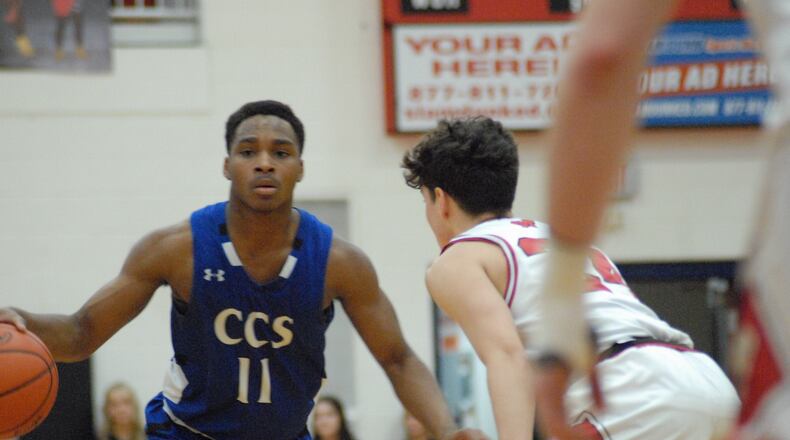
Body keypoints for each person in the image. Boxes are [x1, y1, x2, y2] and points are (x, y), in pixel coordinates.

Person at [0, 100, 486, 440]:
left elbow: (398, 359)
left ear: (300, 167)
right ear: (227, 165)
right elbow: (81, 333)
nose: (264, 163)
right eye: (248, 150)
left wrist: (446, 429)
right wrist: (21, 318)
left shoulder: (339, 262)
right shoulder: (176, 249)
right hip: (185, 433)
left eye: (281, 152)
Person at [533, 1, 790, 439]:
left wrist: (560, 311)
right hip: (696, 372)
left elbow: (604, 54)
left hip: (636, 380)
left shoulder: (461, 259)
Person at [401, 116, 740, 439]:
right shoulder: (566, 241)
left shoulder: (456, 260)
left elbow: (508, 355)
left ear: (440, 200)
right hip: (707, 381)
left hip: (632, 394)